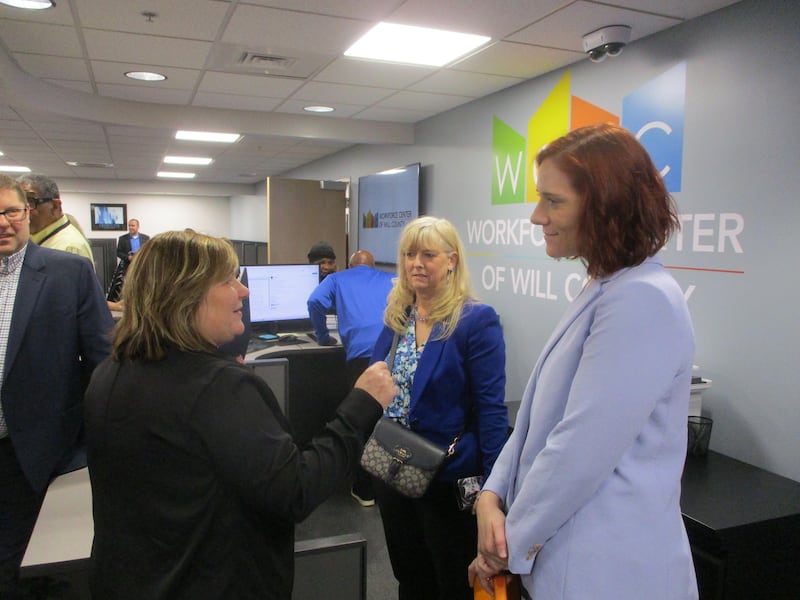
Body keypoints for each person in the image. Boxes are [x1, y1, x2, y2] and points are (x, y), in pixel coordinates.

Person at [83, 230, 397, 600]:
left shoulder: (112, 371)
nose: (243, 292)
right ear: (186, 295)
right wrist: (361, 404)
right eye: (227, 280)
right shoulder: (219, 389)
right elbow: (296, 489)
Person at [469, 123, 698, 600]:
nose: (537, 216)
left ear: (605, 207)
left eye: (553, 201)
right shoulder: (603, 286)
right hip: (565, 559)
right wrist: (491, 494)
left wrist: (503, 547)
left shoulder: (641, 299)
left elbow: (577, 450)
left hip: (606, 573)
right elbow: (537, 422)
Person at [370, 216, 508, 600]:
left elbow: (491, 409)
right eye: (409, 254)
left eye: (428, 254)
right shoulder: (398, 315)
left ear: (451, 260)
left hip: (446, 475)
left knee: (450, 578)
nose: (416, 263)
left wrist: (493, 487)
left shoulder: (475, 320)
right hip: (392, 465)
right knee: (408, 573)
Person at [0, 175, 113, 598]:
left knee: (20, 563)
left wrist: (92, 442)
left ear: (27, 213)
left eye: (12, 211)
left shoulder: (68, 272)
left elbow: (102, 360)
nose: (3, 223)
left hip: (38, 450)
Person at [307, 249, 395, 506]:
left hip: (361, 360)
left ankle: (364, 489)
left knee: (362, 423)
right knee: (390, 422)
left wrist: (322, 336)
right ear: (374, 264)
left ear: (349, 265)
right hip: (393, 355)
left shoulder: (336, 279)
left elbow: (314, 302)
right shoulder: (392, 279)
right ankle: (390, 486)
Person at [16, 173, 94, 264]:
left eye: (31, 202)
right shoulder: (33, 238)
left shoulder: (69, 246)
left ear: (55, 206)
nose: (24, 211)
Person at [107, 218, 150, 302]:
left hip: (142, 265)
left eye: (133, 225)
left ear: (138, 227)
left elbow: (149, 251)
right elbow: (119, 252)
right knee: (128, 284)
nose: (131, 227)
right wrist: (128, 257)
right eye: (129, 225)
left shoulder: (146, 238)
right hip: (128, 266)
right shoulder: (123, 238)